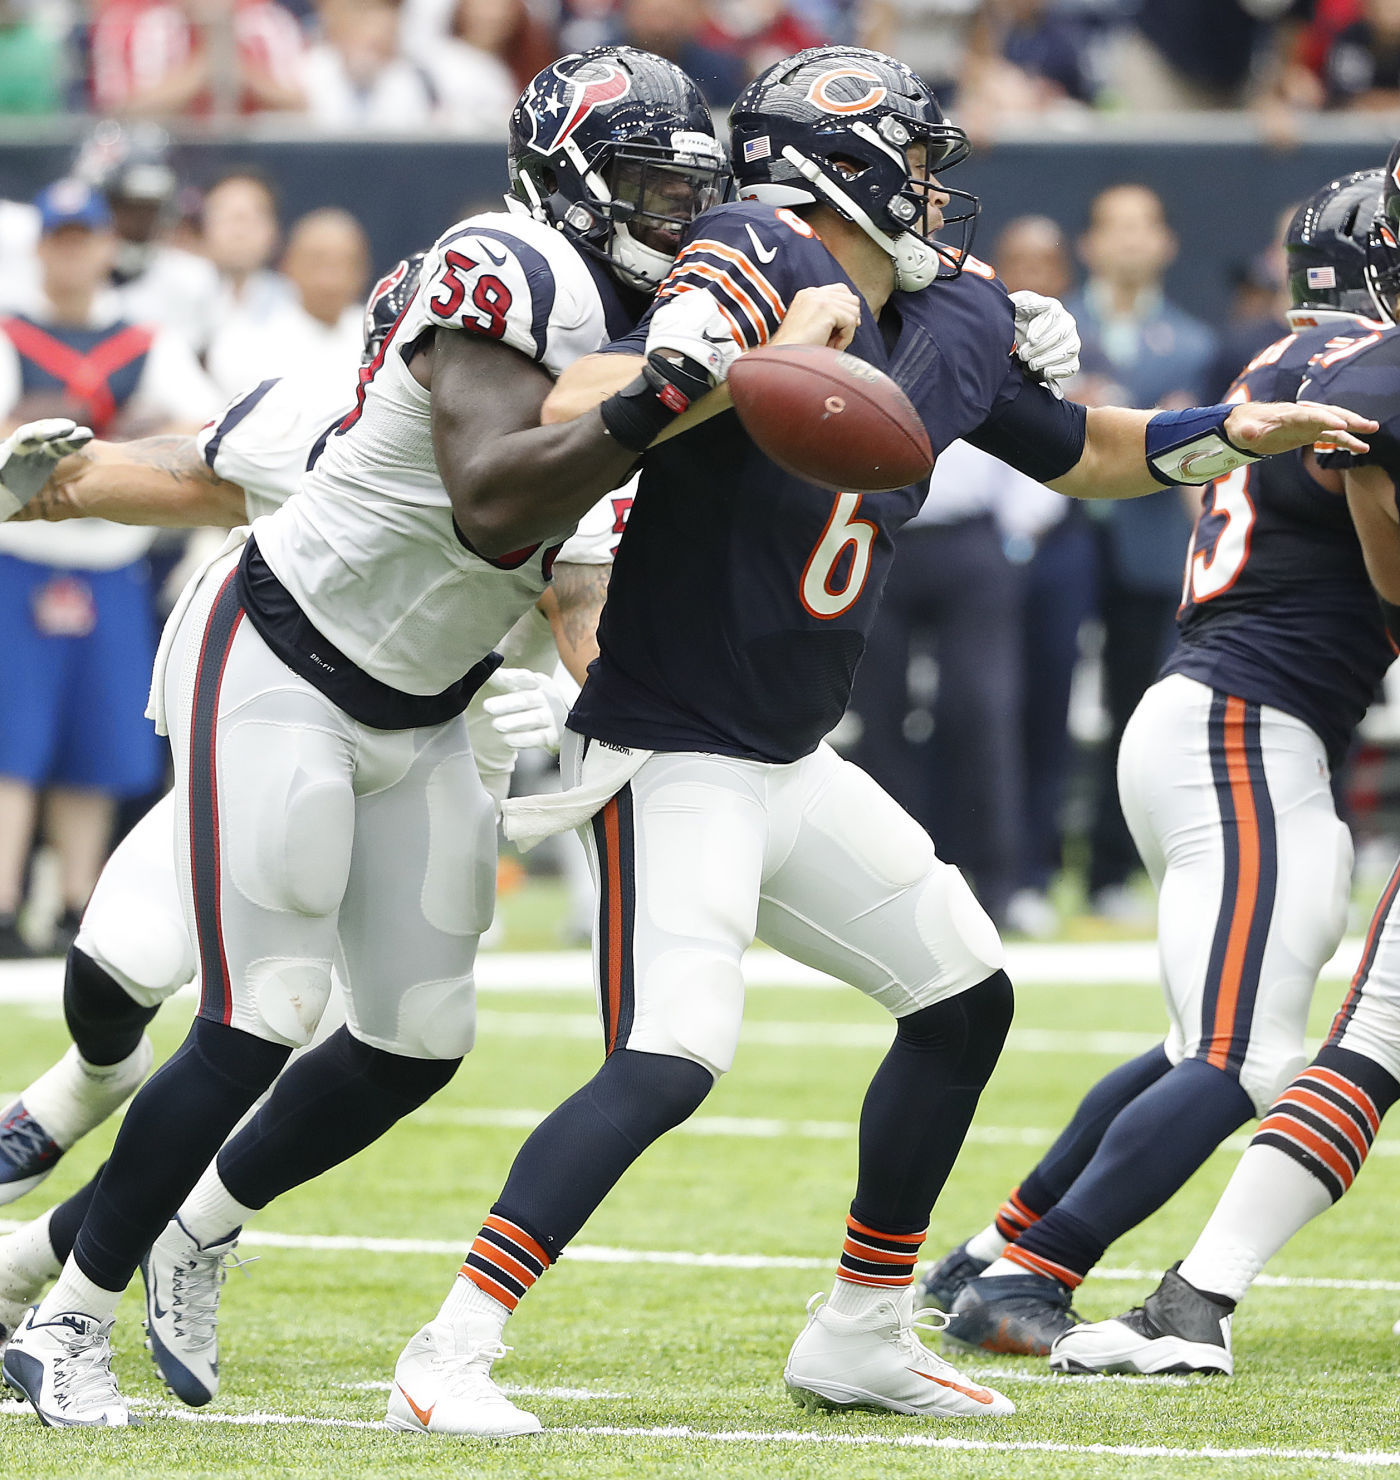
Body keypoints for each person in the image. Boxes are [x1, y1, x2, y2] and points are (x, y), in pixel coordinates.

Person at [380, 44, 1374, 1438]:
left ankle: (860, 1330)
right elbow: (565, 408)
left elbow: (1079, 450)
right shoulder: (746, 244)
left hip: (788, 749)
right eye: (908, 158)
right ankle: (449, 1346)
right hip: (668, 743)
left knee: (965, 996)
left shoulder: (957, 311)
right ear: (839, 161)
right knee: (672, 1054)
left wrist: (1229, 432)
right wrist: (740, 358)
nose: (929, 189)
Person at [0, 45, 734, 1431]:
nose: (668, 212)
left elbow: (579, 576)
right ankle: (61, 1322)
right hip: (277, 666)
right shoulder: (506, 267)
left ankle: (184, 1226)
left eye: (679, 186)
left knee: (413, 1039)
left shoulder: (625, 338)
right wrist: (56, 485)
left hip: (428, 707)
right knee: (245, 1010)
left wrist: (592, 714)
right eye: (642, 179)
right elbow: (480, 496)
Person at [920, 168, 1400, 1357]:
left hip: (1209, 714)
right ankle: (1029, 1274)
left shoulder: (1294, 363)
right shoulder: (1369, 371)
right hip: (1247, 724)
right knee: (1247, 1057)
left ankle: (994, 1246)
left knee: (1206, 1042)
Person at [0, 178, 219, 957]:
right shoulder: (12, 332)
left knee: (95, 742)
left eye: (83, 239)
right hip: (22, 557)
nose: (72, 253)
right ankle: (5, 901)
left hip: (109, 556)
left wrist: (122, 431)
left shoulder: (140, 340)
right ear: (42, 249)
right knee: (11, 740)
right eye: (59, 240)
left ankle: (75, 904)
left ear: (103, 246)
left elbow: (205, 418)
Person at [1068, 182, 1218, 921]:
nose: (1129, 240)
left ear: (1166, 243)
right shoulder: (1050, 329)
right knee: (1023, 700)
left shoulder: (1193, 342)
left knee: (1139, 710)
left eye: (1143, 225)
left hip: (1149, 544)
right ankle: (1018, 866)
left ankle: (1114, 869)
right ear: (1089, 242)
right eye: (1113, 225)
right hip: (1054, 541)